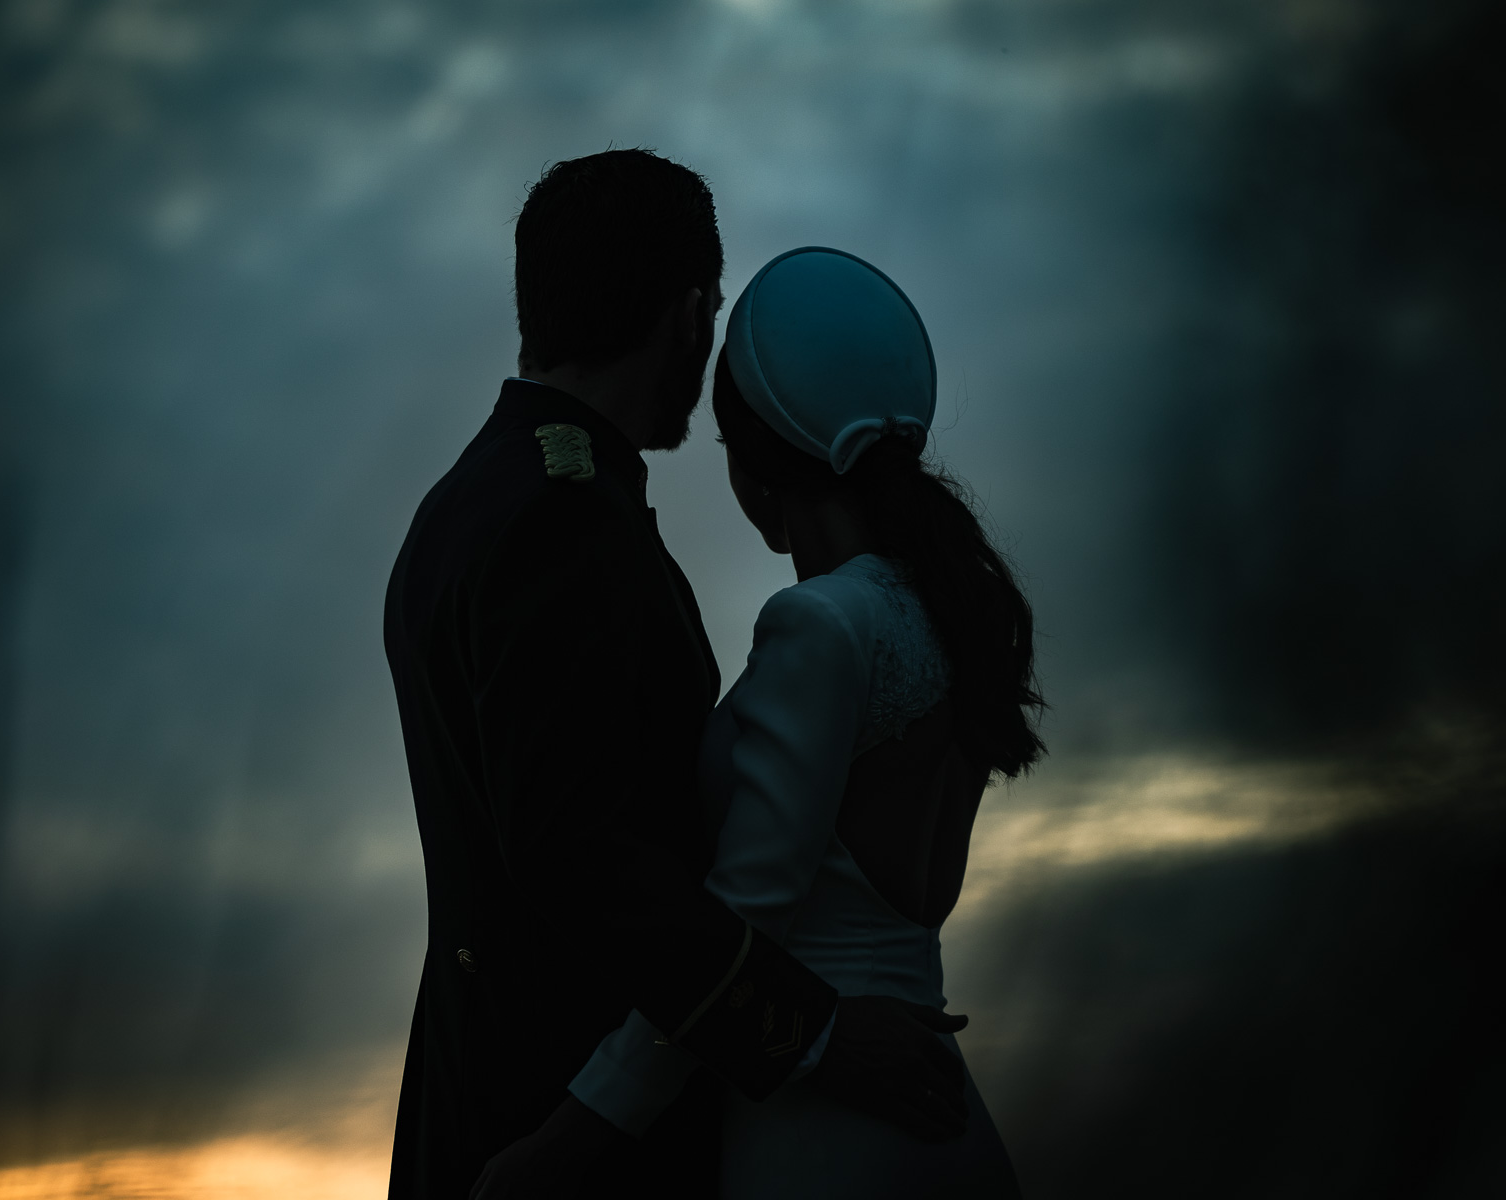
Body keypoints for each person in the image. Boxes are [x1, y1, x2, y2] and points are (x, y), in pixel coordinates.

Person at [383, 152, 969, 1200]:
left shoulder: (475, 500)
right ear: (693, 311)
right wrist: (822, 1034)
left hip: (499, 1094)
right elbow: (588, 863)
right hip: (561, 1133)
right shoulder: (567, 520)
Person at [555, 246, 1042, 1197]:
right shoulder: (948, 612)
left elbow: (747, 921)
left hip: (826, 1137)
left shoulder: (822, 623)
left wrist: (576, 1135)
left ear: (755, 463)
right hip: (939, 1123)